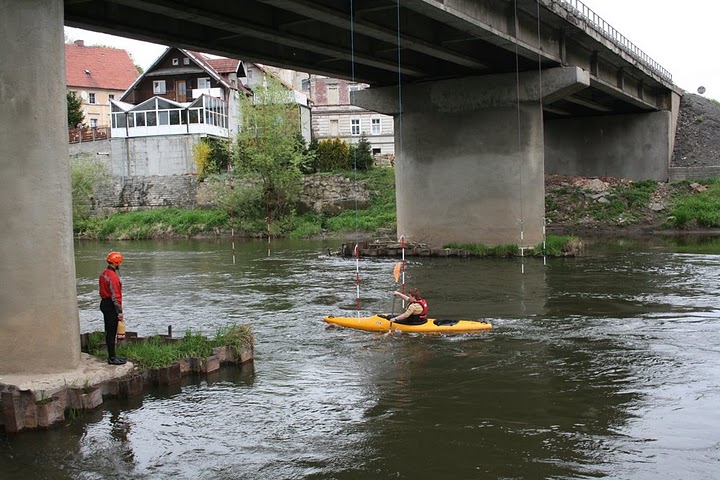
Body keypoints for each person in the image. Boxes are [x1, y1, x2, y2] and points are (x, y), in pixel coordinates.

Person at [99, 251, 127, 365]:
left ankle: (112, 356)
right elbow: (116, 296)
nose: (120, 265)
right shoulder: (113, 277)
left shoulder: (103, 274)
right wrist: (119, 311)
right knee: (111, 332)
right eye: (119, 263)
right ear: (116, 263)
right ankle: (112, 358)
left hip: (104, 303)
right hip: (111, 306)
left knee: (109, 331)